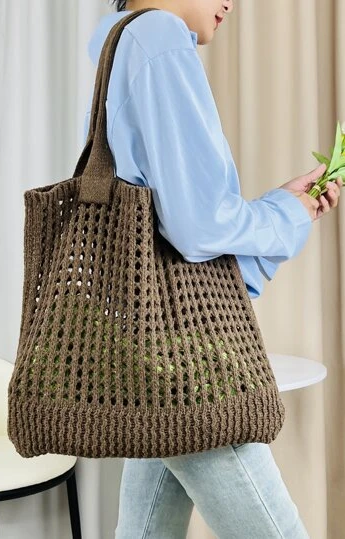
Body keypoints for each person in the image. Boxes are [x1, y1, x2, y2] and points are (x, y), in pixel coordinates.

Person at [84, 1, 342, 537]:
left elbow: (170, 224)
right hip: (185, 354)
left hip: (143, 340)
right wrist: (285, 215)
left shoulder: (117, 39)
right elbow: (198, 227)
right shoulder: (158, 36)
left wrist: (283, 207)